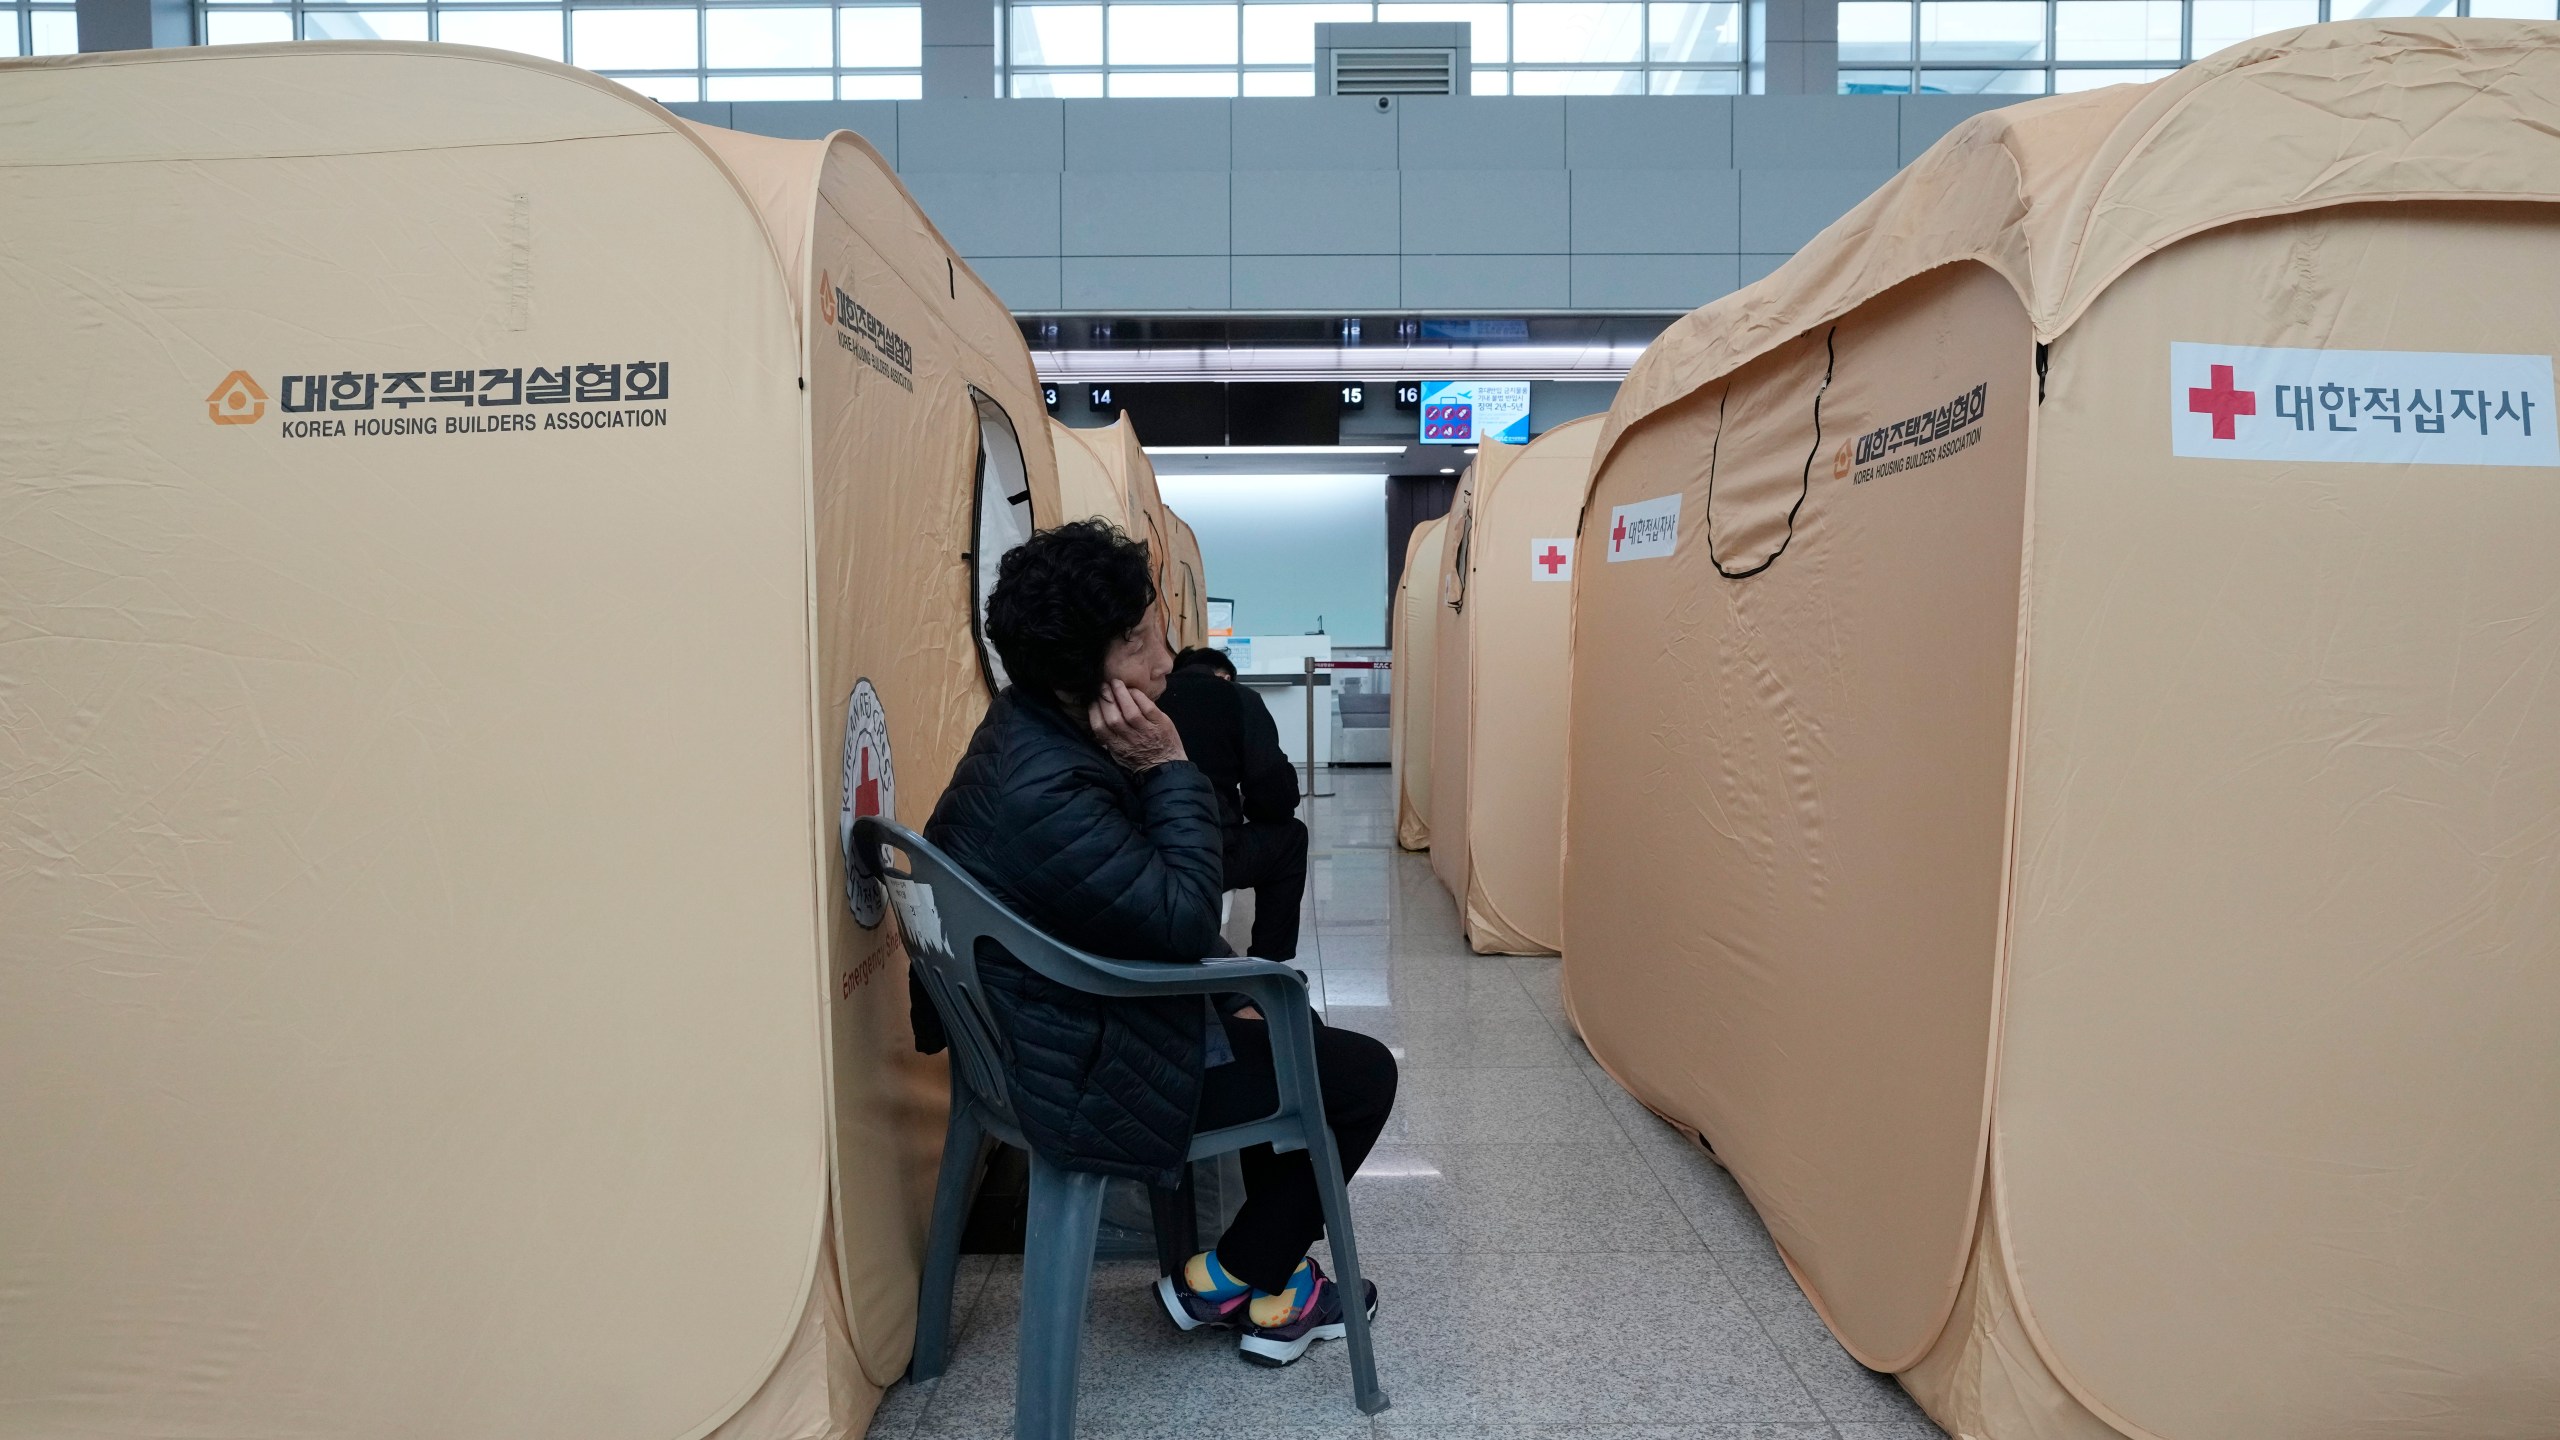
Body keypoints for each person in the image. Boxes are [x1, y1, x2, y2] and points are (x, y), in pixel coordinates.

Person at [919, 520, 1397, 1369]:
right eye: (1142, 641)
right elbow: (1177, 914)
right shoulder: (1051, 787)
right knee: (1360, 1076)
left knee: (1278, 1027)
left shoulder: (1026, 735)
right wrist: (1170, 765)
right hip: (1083, 1071)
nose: (1167, 658)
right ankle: (1231, 1276)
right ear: (1083, 667)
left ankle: (1273, 1286)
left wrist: (1227, 983)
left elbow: (1131, 902)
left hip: (1058, 1029)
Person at [1153, 646, 1307, 962]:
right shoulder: (1238, 697)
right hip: (1211, 859)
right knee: (1291, 837)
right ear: (1224, 675)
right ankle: (1268, 964)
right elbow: (1275, 797)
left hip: (1138, 854)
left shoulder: (1142, 698)